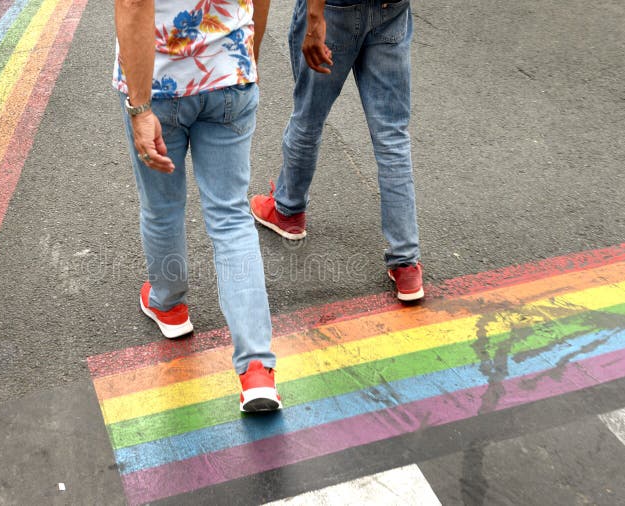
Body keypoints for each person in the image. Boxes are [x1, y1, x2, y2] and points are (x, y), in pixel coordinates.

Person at [114, 0, 281, 412]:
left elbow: (134, 4)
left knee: (162, 206)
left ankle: (168, 304)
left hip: (157, 84)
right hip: (229, 70)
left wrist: (138, 108)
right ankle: (256, 369)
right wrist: (246, 58)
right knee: (231, 217)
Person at [250, 0, 424, 301]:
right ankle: (406, 262)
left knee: (308, 117)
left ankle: (289, 210)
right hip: (391, 8)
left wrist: (315, 17)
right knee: (391, 135)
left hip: (335, 10)